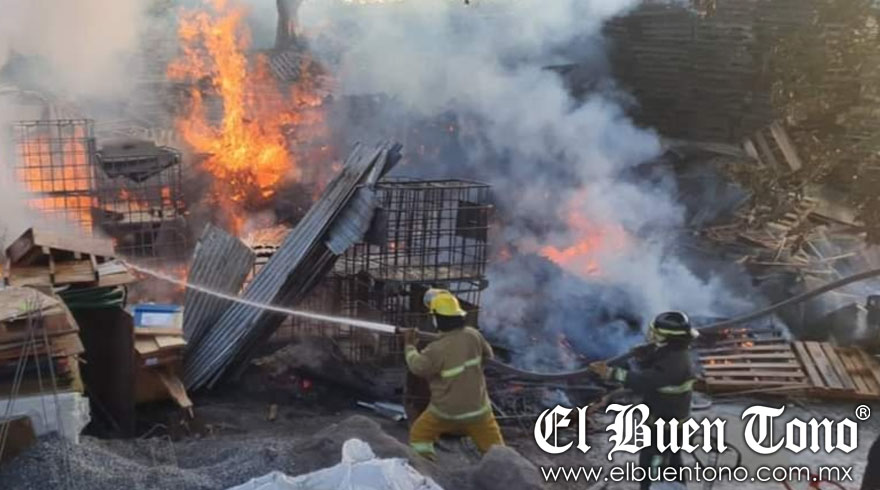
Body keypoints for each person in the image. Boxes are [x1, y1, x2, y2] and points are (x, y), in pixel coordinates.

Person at [589, 311, 699, 490]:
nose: (652, 336)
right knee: (672, 464)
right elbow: (658, 362)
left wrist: (610, 373)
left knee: (653, 467)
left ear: (667, 337)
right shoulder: (675, 352)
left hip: (665, 428)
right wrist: (645, 354)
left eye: (657, 333)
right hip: (668, 423)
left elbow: (643, 381)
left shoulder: (676, 363)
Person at [404, 288, 505, 459]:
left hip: (445, 413)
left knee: (419, 436)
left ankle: (427, 466)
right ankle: (505, 471)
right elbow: (489, 355)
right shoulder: (473, 335)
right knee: (498, 452)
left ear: (436, 319)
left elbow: (418, 367)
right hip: (478, 412)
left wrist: (409, 346)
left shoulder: (436, 349)